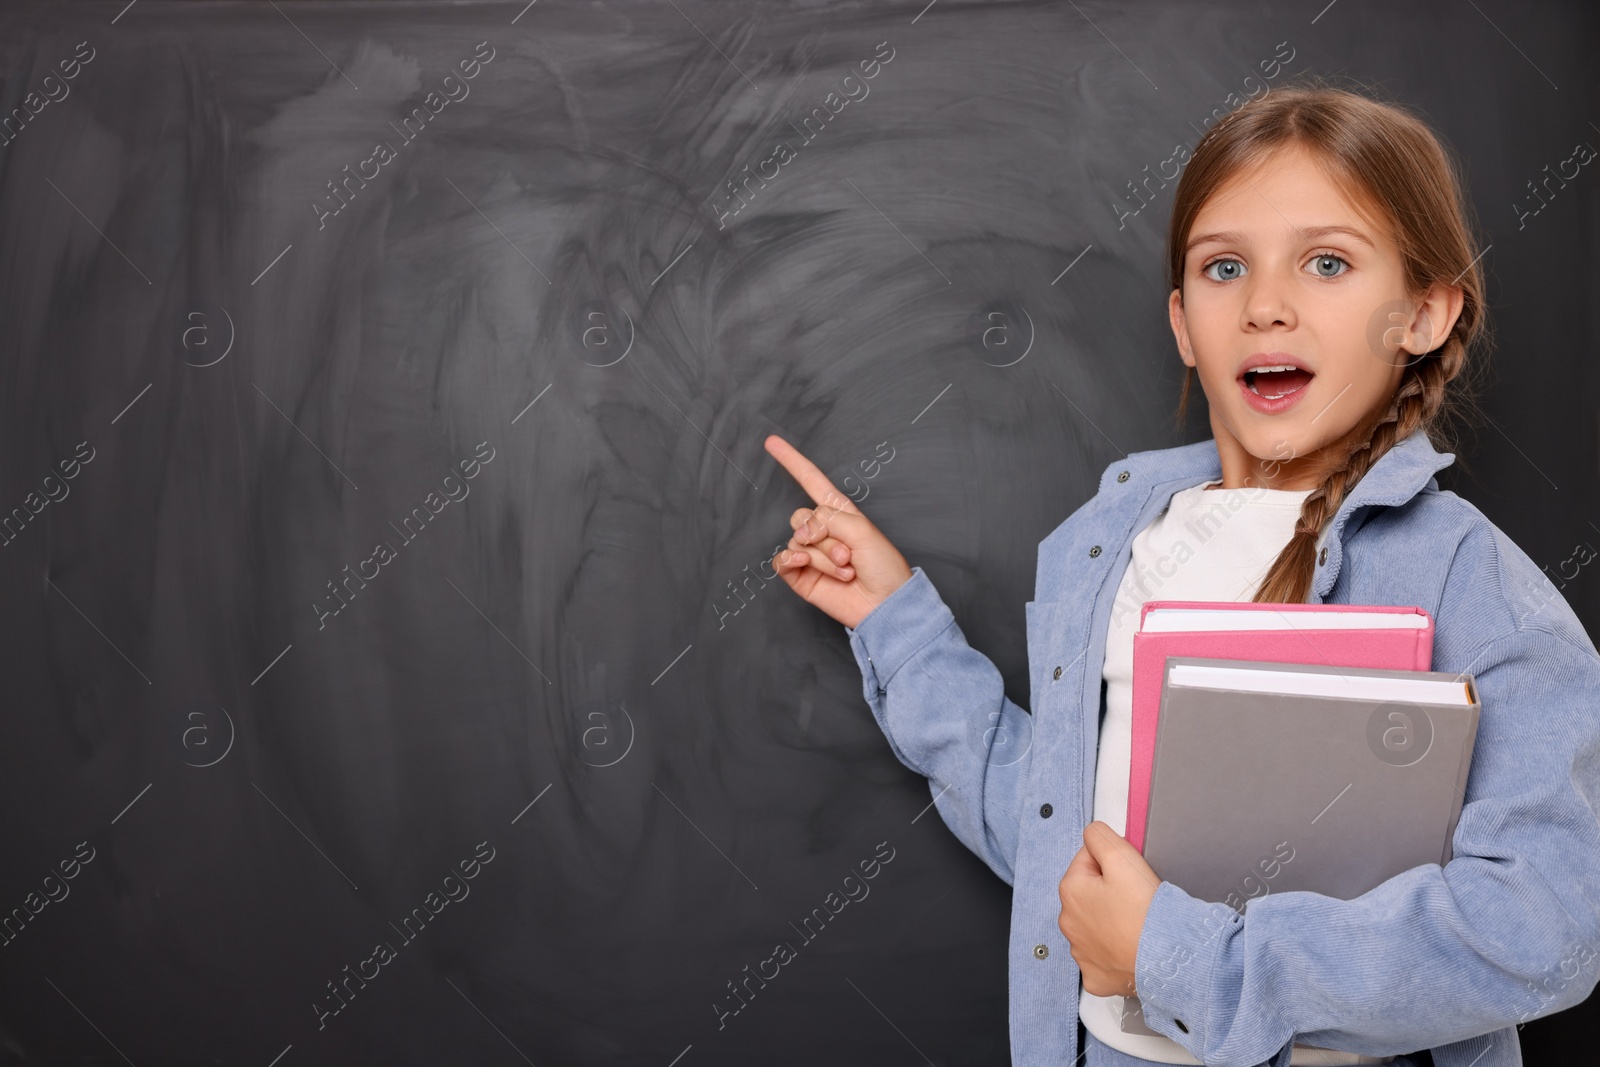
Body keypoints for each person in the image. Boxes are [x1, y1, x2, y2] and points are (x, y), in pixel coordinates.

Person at [763, 80, 1600, 1067]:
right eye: (1223, 267)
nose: (1265, 305)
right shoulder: (1112, 545)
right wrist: (892, 615)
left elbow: (1543, 925)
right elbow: (1060, 850)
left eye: (1327, 262)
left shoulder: (1464, 575)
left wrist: (1176, 954)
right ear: (1179, 324)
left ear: (1422, 312)